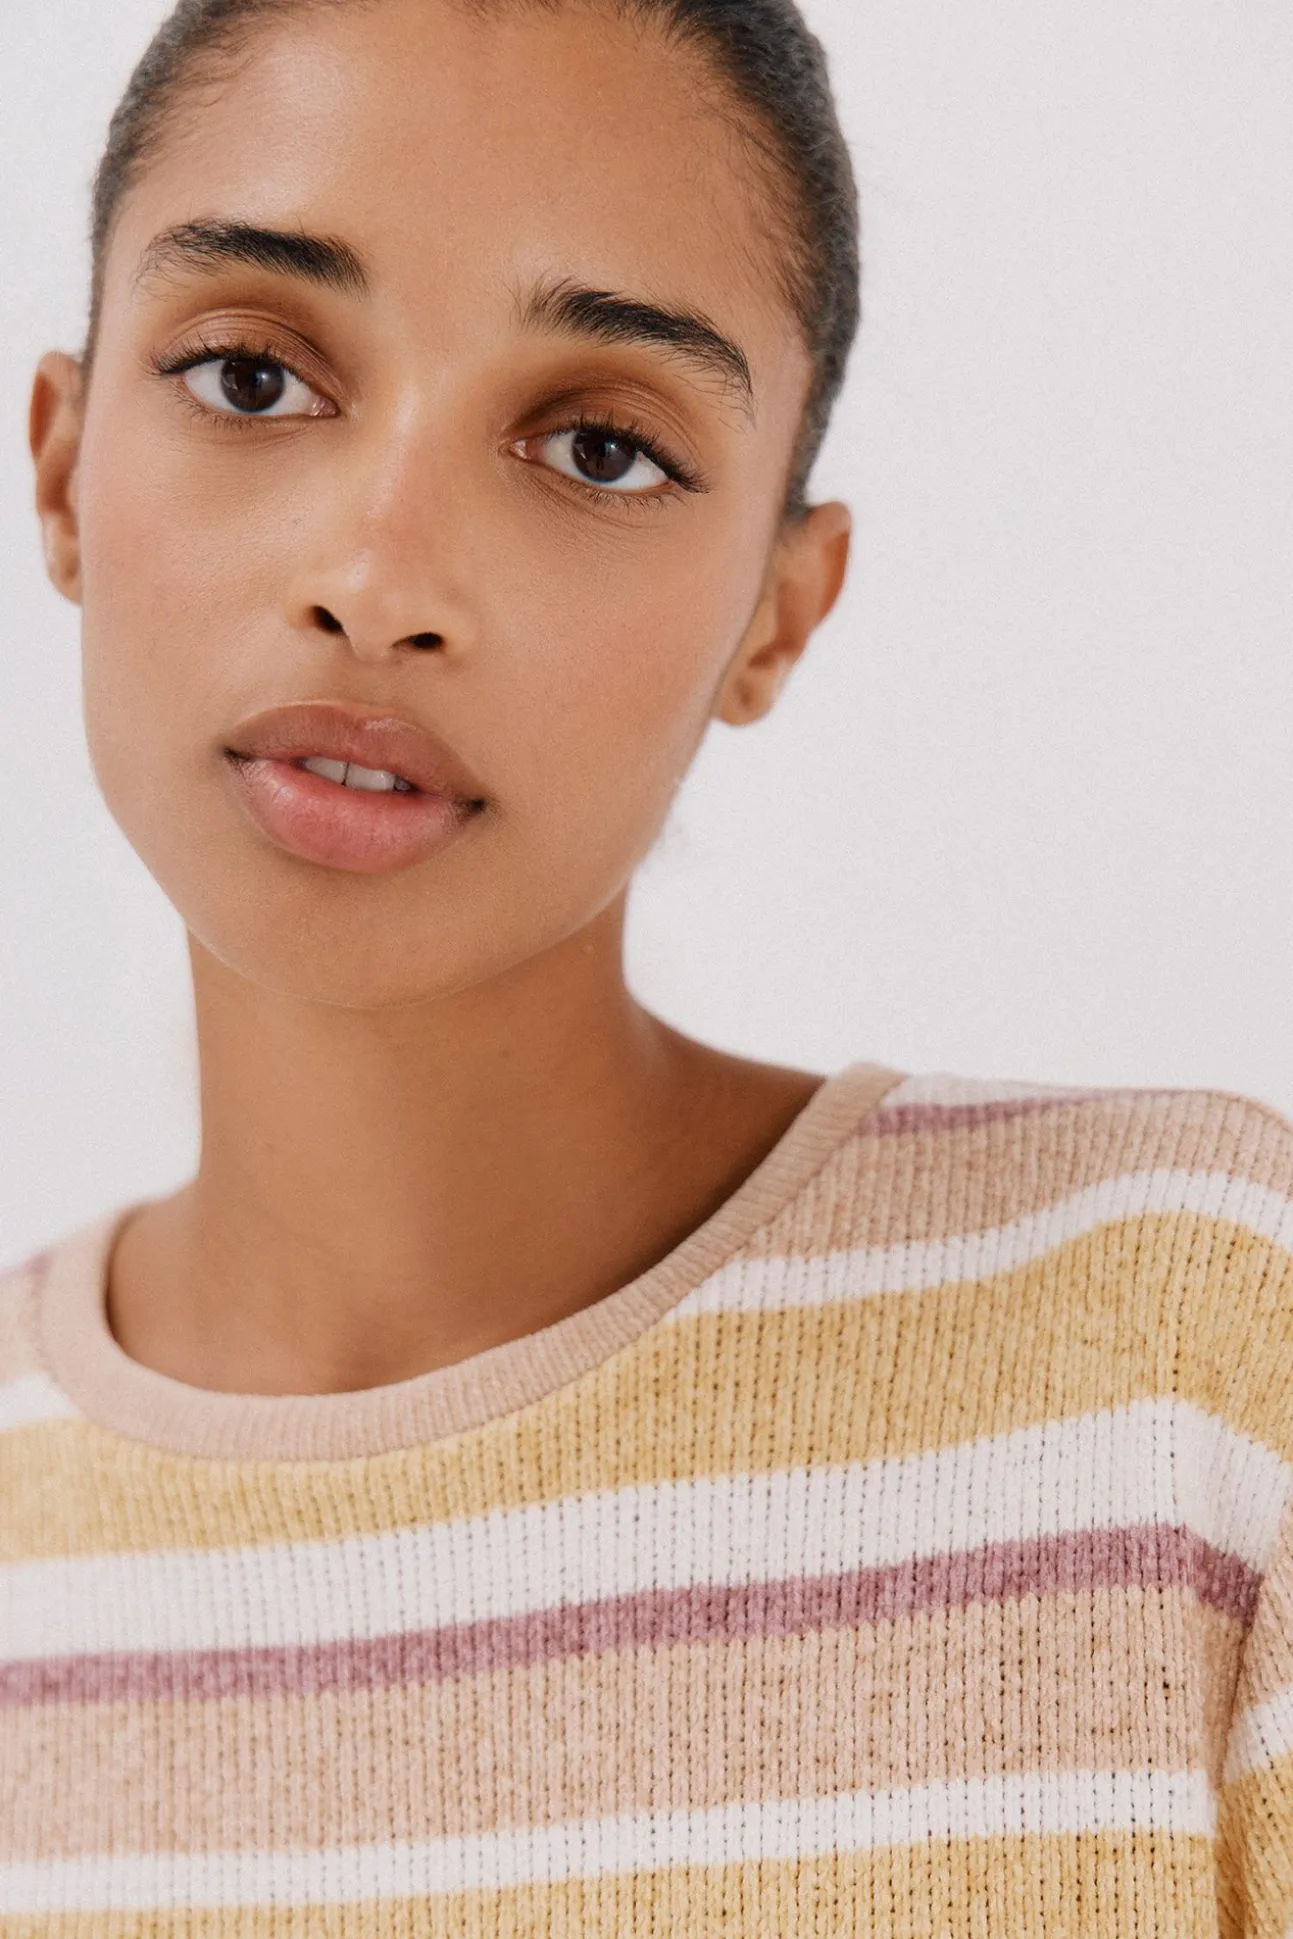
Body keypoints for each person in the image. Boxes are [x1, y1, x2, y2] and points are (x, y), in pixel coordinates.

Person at [2, 0, 1291, 1930]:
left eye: (599, 447)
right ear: (63, 466)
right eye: (253, 378)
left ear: (777, 611)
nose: (381, 578)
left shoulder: (1195, 1364)